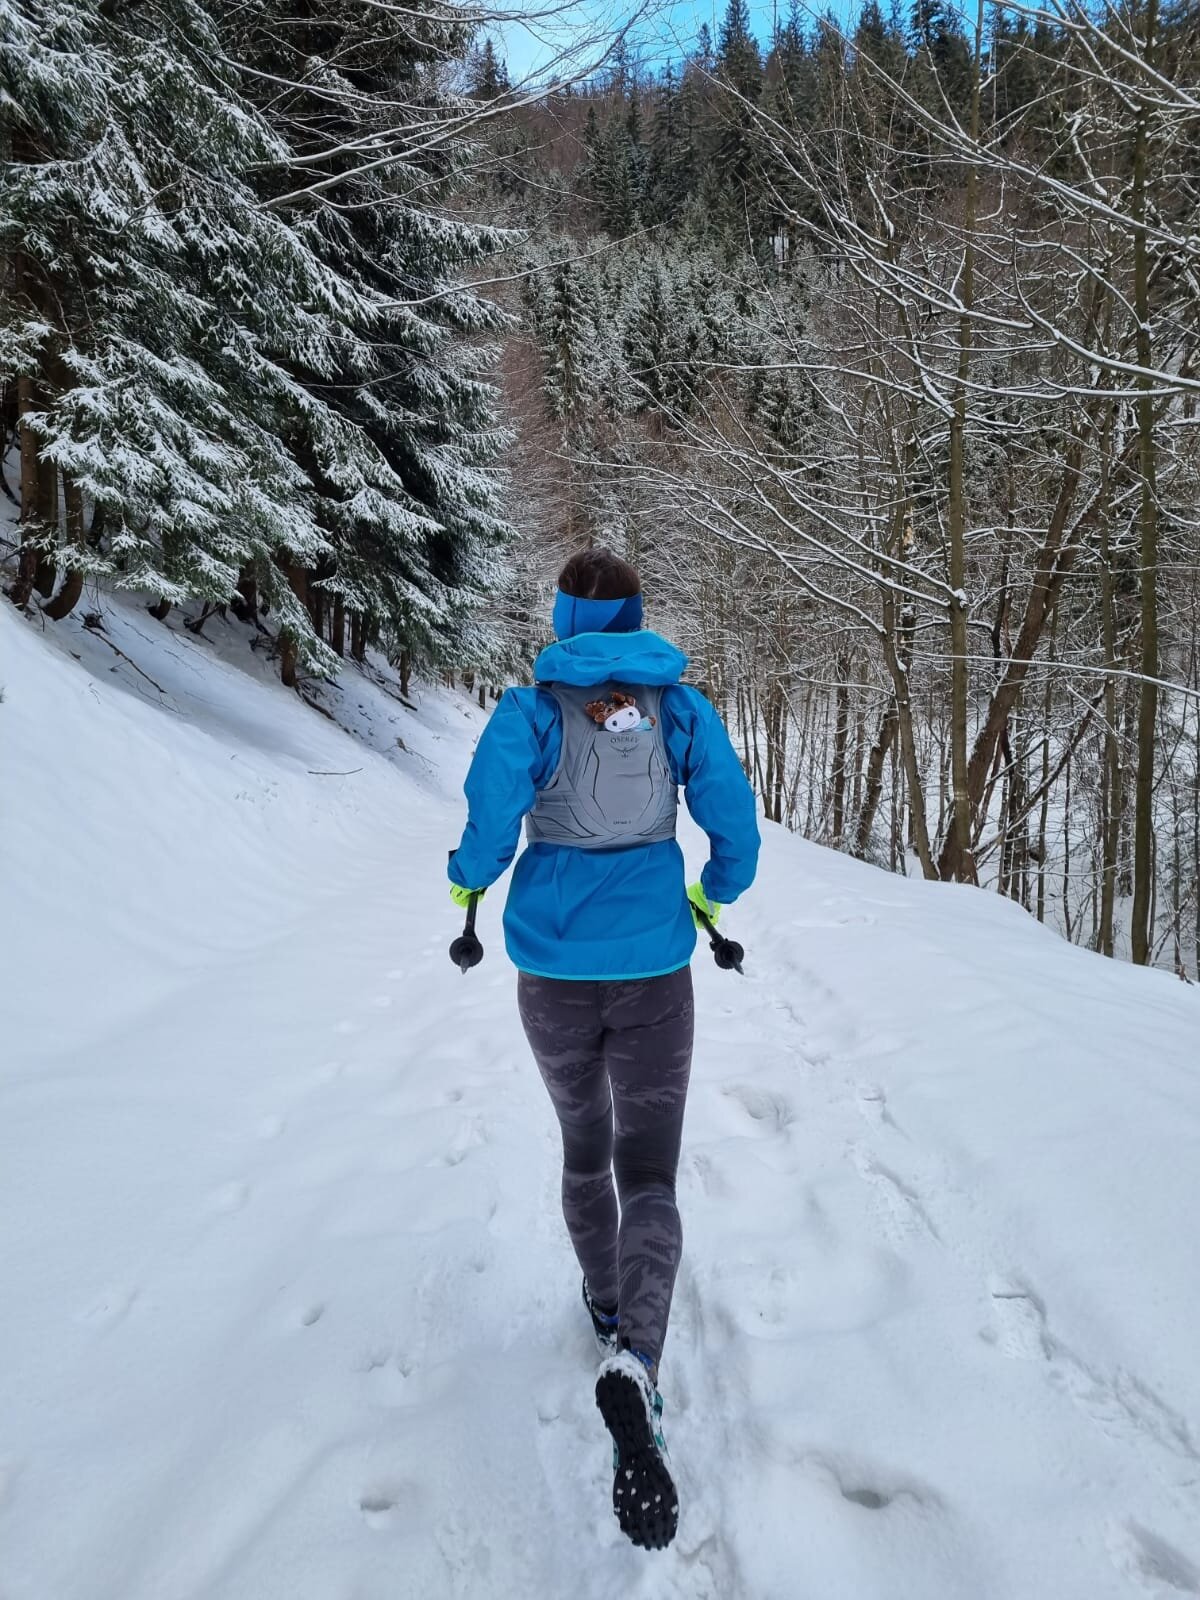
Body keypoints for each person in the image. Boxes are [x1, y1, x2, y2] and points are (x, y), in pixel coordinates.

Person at [447, 547, 759, 1550]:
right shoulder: (680, 707)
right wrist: (712, 894)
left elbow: (491, 822)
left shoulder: (528, 711)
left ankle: (609, 1308)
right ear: (633, 618)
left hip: (553, 970)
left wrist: (468, 885)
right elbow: (735, 828)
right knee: (651, 1168)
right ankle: (639, 1359)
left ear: (563, 619)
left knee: (585, 1146)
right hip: (657, 967)